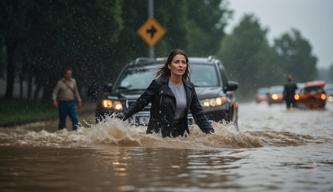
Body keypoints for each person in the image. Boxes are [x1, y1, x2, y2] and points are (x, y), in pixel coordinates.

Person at [122, 49, 215, 137]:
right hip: (157, 135)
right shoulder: (158, 84)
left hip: (180, 137)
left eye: (183, 62)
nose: (180, 65)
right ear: (169, 66)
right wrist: (121, 118)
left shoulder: (189, 87)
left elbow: (199, 115)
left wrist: (212, 135)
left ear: (186, 66)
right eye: (176, 62)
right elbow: (140, 103)